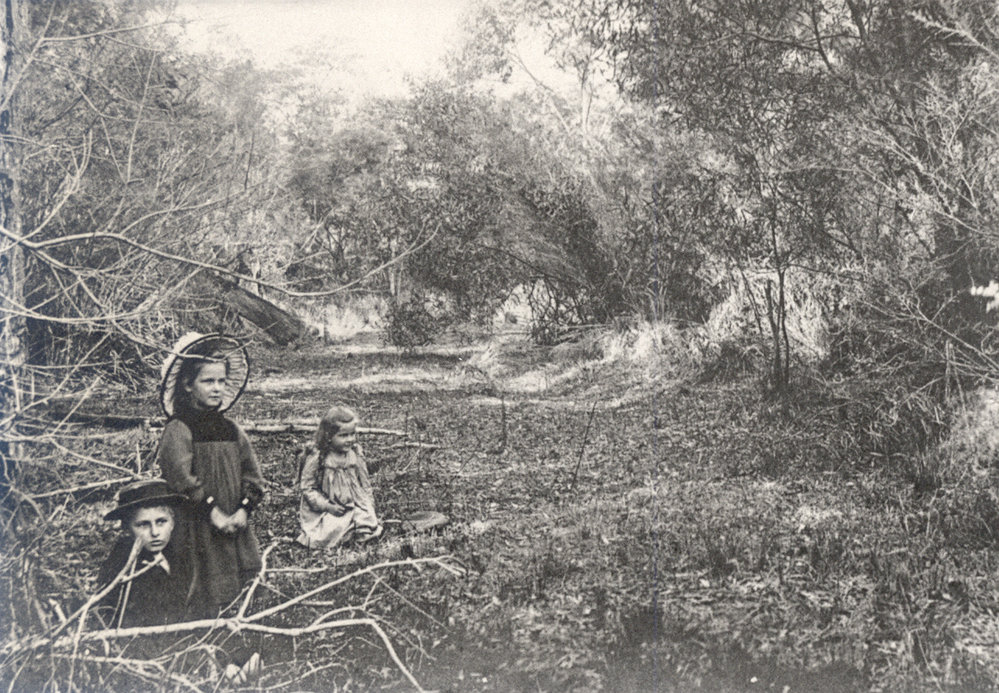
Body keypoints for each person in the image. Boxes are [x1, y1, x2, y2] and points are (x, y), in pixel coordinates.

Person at [156, 333, 265, 615]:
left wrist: (243, 510)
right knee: (202, 584)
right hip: (198, 523)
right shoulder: (179, 429)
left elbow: (252, 476)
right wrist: (212, 512)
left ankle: (237, 621)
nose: (216, 388)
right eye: (208, 381)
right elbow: (180, 479)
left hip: (233, 519)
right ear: (188, 385)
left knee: (239, 584)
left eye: (221, 381)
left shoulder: (231, 429)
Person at [96, 479, 193, 628]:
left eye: (161, 522)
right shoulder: (121, 566)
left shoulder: (178, 554)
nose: (155, 533)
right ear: (127, 528)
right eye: (143, 525)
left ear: (173, 523)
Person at [297, 404, 383, 549]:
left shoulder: (355, 452)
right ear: (328, 436)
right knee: (332, 528)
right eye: (343, 435)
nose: (349, 439)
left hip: (355, 502)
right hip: (329, 505)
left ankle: (358, 534)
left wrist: (369, 503)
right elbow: (307, 487)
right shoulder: (319, 456)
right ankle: (344, 536)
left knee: (366, 519)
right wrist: (327, 506)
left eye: (352, 434)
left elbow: (364, 481)